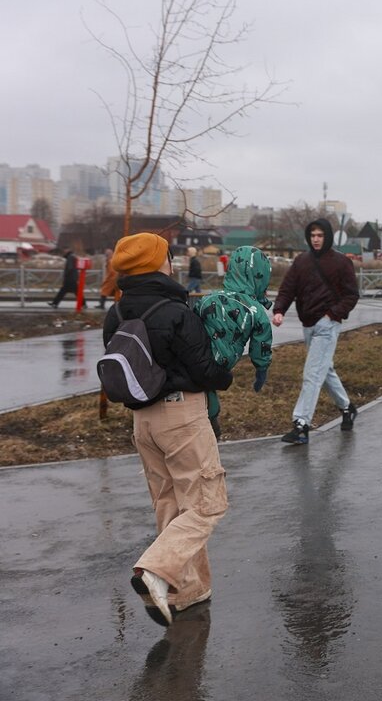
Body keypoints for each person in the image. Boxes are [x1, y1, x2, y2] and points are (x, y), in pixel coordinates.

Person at [101, 232, 233, 627]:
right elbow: (207, 371)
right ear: (159, 262)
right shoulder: (176, 311)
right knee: (208, 503)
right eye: (168, 256)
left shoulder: (117, 313)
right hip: (181, 418)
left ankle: (184, 590)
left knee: (171, 506)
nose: (172, 261)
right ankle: (157, 570)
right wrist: (226, 369)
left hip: (143, 422)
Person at [272, 218, 360, 445]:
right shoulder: (302, 261)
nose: (316, 239)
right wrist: (280, 309)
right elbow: (288, 287)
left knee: (312, 373)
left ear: (327, 236)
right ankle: (347, 407)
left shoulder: (341, 263)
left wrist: (332, 314)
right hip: (308, 325)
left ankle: (301, 424)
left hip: (328, 325)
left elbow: (352, 295)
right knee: (324, 370)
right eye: (313, 236)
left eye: (320, 235)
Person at [193, 246, 274, 439]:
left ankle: (208, 423)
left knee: (202, 387)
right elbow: (261, 343)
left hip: (196, 357)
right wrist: (261, 368)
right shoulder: (255, 310)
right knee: (208, 389)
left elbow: (192, 323)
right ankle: (211, 427)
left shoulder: (208, 298)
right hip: (221, 363)